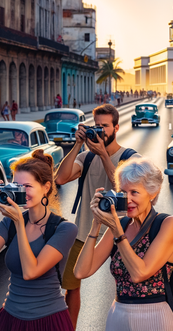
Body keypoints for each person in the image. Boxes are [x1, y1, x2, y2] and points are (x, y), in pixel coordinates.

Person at [55, 104, 141, 329]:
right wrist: (77, 145)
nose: (101, 130)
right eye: (97, 126)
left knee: (126, 286)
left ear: (116, 128)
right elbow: (61, 178)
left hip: (120, 234)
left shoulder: (130, 158)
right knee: (71, 285)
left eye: (105, 126)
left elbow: (125, 189)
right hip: (85, 231)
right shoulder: (86, 157)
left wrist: (103, 154)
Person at [0, 150, 77, 330]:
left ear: (46, 187)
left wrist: (20, 223)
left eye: (27, 186)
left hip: (48, 320)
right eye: (16, 186)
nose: (21, 192)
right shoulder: (9, 223)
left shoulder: (64, 229)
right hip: (10, 317)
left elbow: (31, 272)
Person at [74, 158, 173, 331]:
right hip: (118, 315)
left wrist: (117, 233)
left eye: (134, 192)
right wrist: (96, 224)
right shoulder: (121, 225)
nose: (127, 199)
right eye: (123, 192)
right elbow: (81, 271)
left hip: (155, 317)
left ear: (152, 193)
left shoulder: (167, 223)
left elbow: (140, 273)